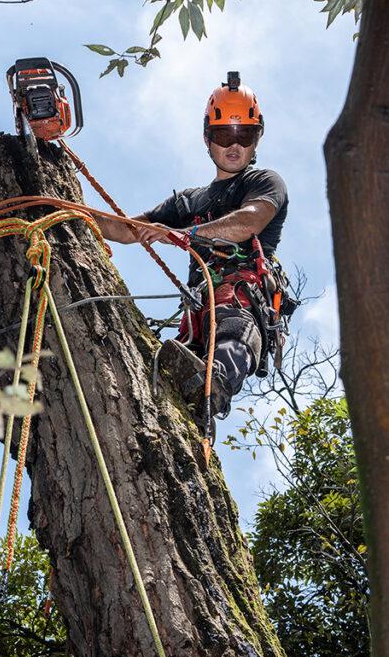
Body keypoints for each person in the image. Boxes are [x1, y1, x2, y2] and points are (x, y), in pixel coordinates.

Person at [95, 71, 289, 421]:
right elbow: (127, 230)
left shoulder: (263, 182)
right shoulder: (189, 202)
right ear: (207, 138)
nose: (234, 145)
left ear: (256, 139)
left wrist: (184, 235)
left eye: (244, 134)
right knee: (176, 360)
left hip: (239, 292)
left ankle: (213, 387)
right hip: (199, 305)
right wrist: (69, 211)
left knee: (233, 330)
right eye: (223, 134)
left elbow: (249, 222)